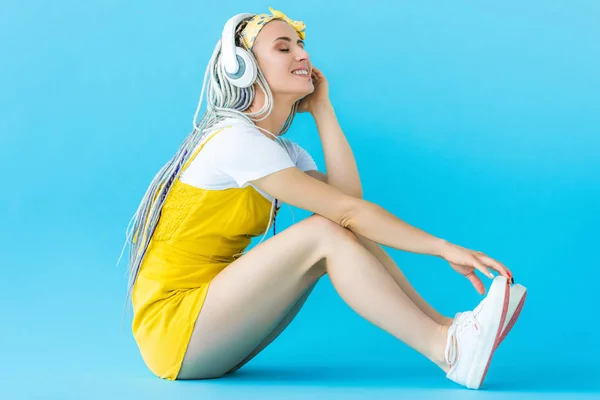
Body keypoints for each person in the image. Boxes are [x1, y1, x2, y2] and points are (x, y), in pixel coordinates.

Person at [118, 7, 527, 390]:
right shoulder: (233, 140)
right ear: (242, 69)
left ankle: (448, 331)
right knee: (324, 232)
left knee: (333, 229)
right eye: (283, 47)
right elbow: (348, 213)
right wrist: (442, 249)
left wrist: (323, 109)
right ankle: (447, 349)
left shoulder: (282, 151)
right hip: (177, 331)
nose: (302, 54)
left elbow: (348, 205)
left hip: (215, 328)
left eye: (300, 44)